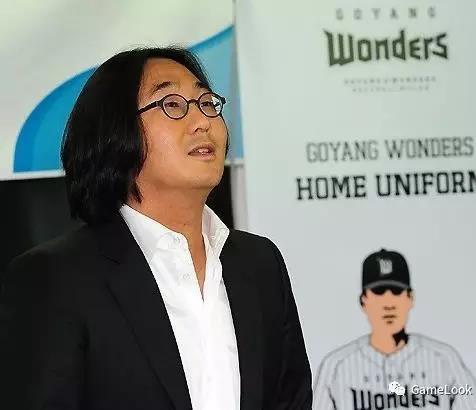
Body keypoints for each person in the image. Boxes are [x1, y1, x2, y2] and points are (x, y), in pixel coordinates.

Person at [0, 47, 312, 410]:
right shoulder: (56, 278)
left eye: (206, 103)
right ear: (115, 133)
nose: (202, 121)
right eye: (172, 104)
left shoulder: (259, 264)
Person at [313, 248, 476, 410]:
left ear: (410, 298)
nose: (388, 304)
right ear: (363, 300)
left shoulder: (443, 359)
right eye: (379, 292)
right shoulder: (336, 366)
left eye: (396, 291)